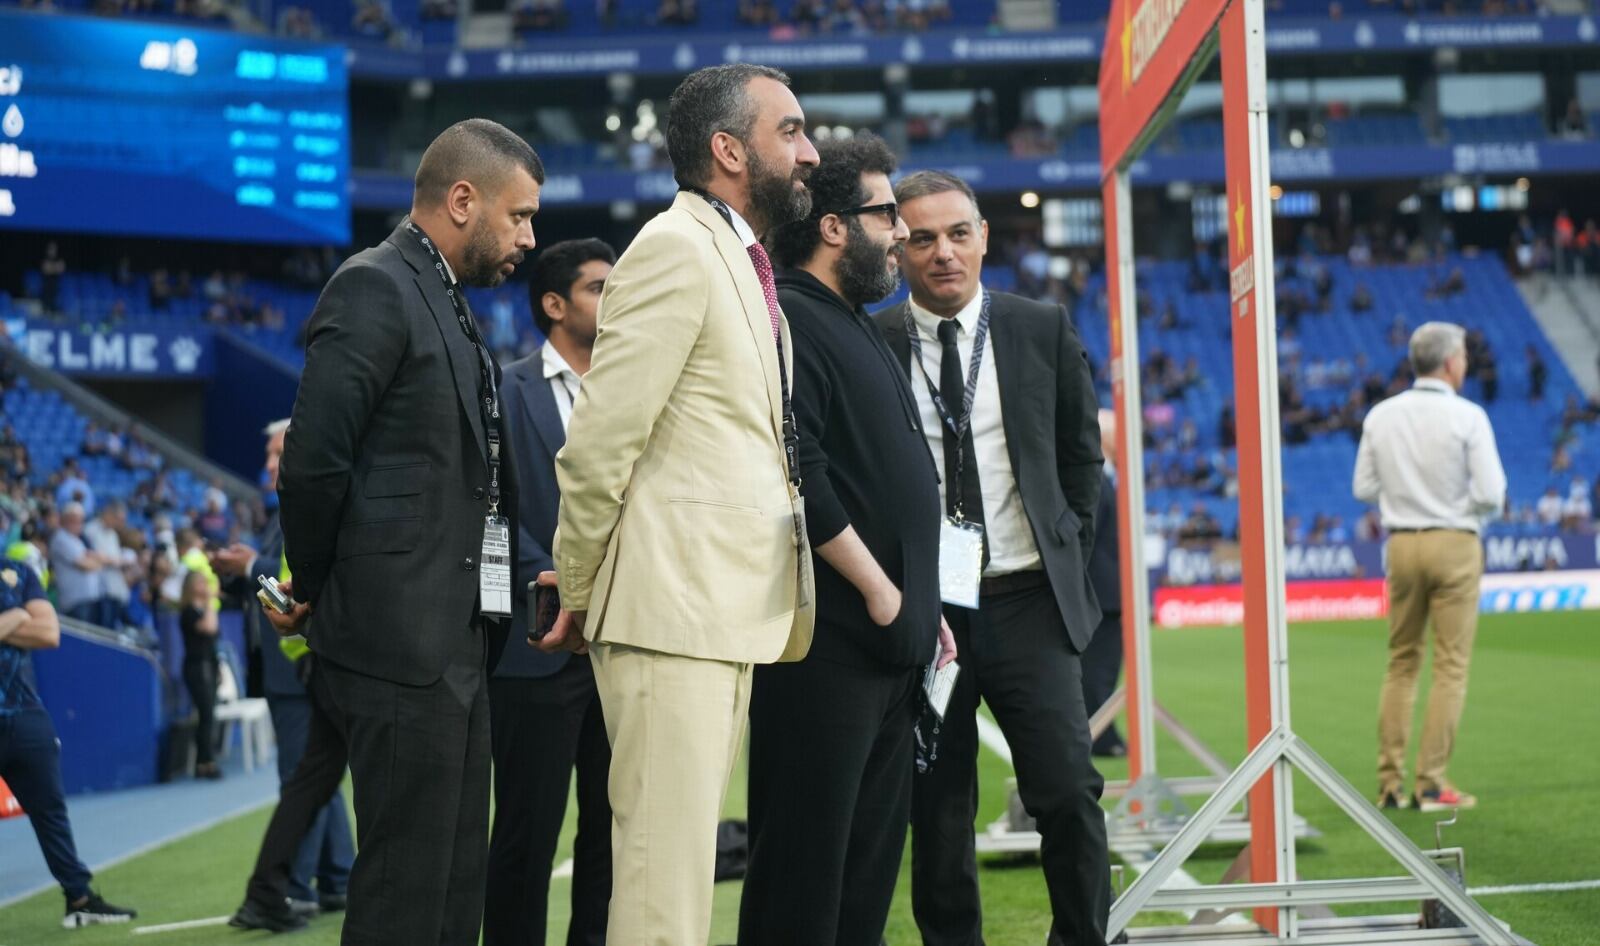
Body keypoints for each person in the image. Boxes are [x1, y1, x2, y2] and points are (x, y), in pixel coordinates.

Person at [543, 63, 818, 946]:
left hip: (713, 612)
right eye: (790, 131)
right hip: (671, 613)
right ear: (729, 150)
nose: (810, 151)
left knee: (680, 874)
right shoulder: (674, 249)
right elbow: (598, 445)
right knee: (662, 887)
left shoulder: (732, 253)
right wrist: (580, 588)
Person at [272, 118, 538, 946]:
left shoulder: (445, 298)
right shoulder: (375, 285)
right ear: (462, 200)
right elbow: (313, 465)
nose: (529, 238)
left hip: (459, 635)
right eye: (519, 216)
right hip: (397, 639)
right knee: (403, 895)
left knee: (454, 888)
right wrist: (317, 587)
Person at [877, 170, 1111, 946]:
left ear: (983, 237)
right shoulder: (873, 340)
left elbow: (1081, 455)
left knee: (1069, 790)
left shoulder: (1040, 327)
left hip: (1027, 598)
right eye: (922, 239)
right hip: (928, 610)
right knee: (938, 807)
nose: (943, 252)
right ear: (896, 249)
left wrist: (1066, 546)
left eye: (958, 234)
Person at [738, 133, 951, 945]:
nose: (901, 232)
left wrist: (918, 603)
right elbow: (802, 472)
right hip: (830, 648)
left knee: (863, 878)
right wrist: (881, 590)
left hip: (888, 645)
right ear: (834, 226)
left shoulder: (851, 320)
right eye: (887, 214)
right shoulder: (791, 317)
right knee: (804, 874)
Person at [486, 238, 616, 946]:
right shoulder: (505, 391)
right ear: (555, 305)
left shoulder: (639, 387)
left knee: (613, 833)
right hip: (536, 645)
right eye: (599, 287)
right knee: (525, 836)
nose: (616, 296)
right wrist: (561, 579)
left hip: (625, 643)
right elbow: (490, 513)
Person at [1354, 321, 1506, 812]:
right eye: (1463, 356)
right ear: (1450, 362)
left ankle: (1389, 784)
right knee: (1450, 667)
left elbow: (1362, 487)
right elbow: (1491, 493)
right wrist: (1459, 507)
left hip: (1402, 543)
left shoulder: (1381, 415)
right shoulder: (1469, 416)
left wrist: (1405, 494)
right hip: (1454, 541)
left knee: (1401, 662)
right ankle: (1432, 783)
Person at [220, 419, 353, 931]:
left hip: (310, 660)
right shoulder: (302, 505)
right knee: (324, 777)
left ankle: (288, 887)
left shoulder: (297, 505)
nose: (271, 464)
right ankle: (296, 887)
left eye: (279, 453)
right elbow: (290, 585)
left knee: (312, 780)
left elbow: (286, 580)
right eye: (271, 455)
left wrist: (251, 570)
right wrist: (250, 575)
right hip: (319, 658)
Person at [0, 559, 138, 928]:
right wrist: (16, 615)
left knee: (51, 812)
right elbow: (33, 626)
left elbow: (49, 633)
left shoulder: (18, 571)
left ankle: (80, 899)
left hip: (24, 713)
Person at [1082, 409, 1126, 758]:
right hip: (1102, 593)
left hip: (1105, 591)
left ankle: (1103, 731)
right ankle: (1099, 734)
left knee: (1103, 668)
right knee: (1100, 668)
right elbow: (1089, 538)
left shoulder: (1104, 476)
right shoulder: (1096, 477)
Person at [177, 570, 223, 780]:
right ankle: (206, 762)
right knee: (206, 714)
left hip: (209, 665)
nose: (205, 587)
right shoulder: (188, 612)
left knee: (209, 714)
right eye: (201, 583)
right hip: (197, 668)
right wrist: (211, 601)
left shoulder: (203, 609)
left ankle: (204, 760)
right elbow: (209, 627)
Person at [48, 503, 106, 626]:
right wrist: (97, 561)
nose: (78, 524)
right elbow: (86, 565)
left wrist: (95, 560)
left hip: (88, 599)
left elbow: (94, 560)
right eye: (74, 520)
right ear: (65, 520)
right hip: (75, 601)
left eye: (80, 520)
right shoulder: (61, 538)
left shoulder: (77, 540)